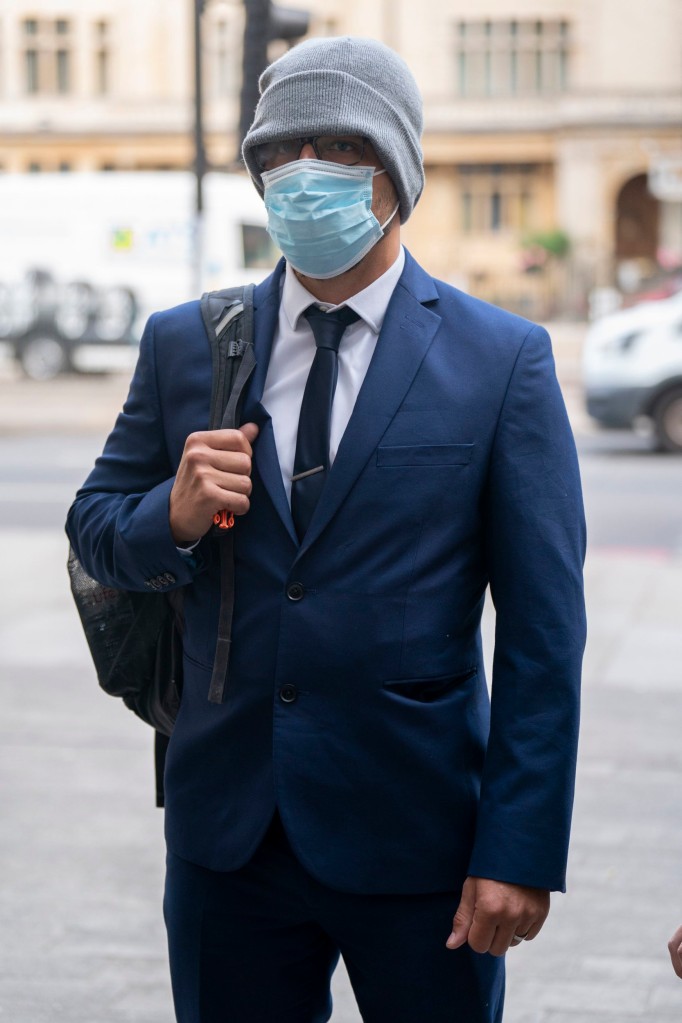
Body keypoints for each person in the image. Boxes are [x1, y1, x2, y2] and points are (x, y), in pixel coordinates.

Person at [66, 35, 586, 1023]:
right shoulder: (189, 343)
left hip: (420, 838)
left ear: (398, 175)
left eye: (339, 151)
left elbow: (542, 632)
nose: (303, 175)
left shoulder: (501, 360)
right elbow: (94, 527)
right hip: (228, 836)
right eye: (279, 153)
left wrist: (518, 851)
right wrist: (166, 518)